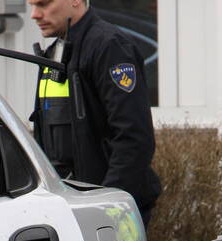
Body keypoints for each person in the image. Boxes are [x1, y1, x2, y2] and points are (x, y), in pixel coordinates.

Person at [28, 0, 160, 227]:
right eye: (31, 5)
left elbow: (134, 139)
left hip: (111, 213)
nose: (34, 14)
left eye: (43, 4)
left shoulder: (110, 47)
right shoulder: (56, 52)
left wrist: (106, 206)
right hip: (70, 207)